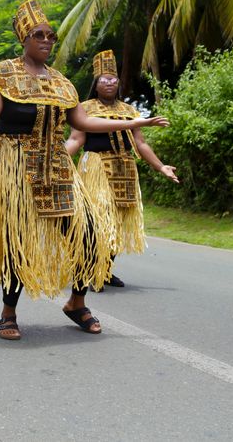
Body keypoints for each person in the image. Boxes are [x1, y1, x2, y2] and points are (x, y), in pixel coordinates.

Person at [0, 0, 170, 340]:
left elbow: (82, 121)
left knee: (89, 235)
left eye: (50, 35)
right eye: (38, 34)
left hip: (56, 165)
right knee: (18, 239)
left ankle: (76, 302)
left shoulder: (61, 82)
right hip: (15, 163)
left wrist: (137, 120)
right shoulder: (2, 74)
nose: (46, 40)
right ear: (24, 39)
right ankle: (8, 313)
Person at [65, 50, 179, 288]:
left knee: (117, 221)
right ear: (96, 84)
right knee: (98, 222)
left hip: (125, 168)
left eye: (113, 78)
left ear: (118, 82)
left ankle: (106, 270)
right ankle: (89, 271)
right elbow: (76, 139)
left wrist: (161, 167)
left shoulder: (129, 110)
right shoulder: (84, 108)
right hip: (96, 167)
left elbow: (141, 143)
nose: (109, 82)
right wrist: (58, 161)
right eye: (104, 79)